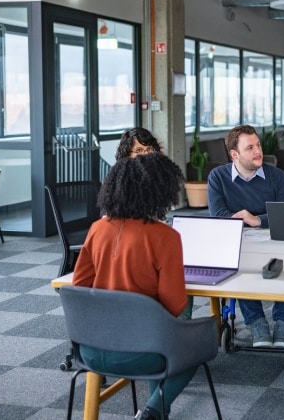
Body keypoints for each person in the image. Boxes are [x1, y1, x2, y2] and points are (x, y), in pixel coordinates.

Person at [72, 153, 190, 420]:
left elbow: (79, 288)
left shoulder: (96, 228)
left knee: (160, 336)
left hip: (90, 349)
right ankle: (153, 411)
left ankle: (155, 413)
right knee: (196, 344)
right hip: (143, 353)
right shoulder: (166, 237)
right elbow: (175, 305)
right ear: (161, 192)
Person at [208, 124, 284, 349]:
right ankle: (257, 322)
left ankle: (282, 322)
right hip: (239, 241)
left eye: (258, 145)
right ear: (234, 154)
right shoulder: (218, 177)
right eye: (250, 148)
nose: (258, 151)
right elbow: (218, 216)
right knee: (239, 261)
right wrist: (242, 223)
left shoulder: (277, 176)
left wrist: (258, 220)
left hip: (277, 237)